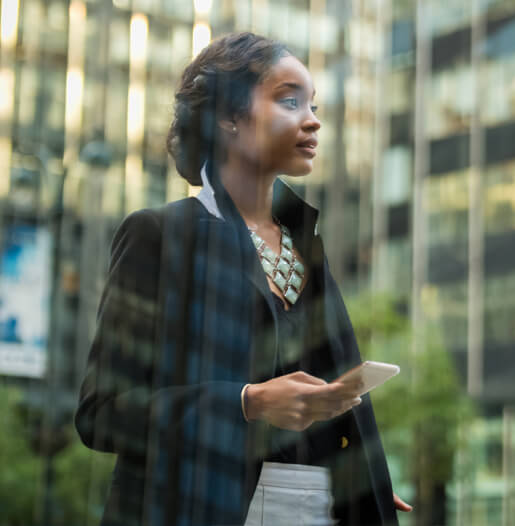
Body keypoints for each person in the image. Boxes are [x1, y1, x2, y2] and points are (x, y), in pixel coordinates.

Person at [74, 32, 411, 526]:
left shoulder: (307, 246)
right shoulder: (159, 235)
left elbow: (339, 412)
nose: (313, 119)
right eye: (290, 100)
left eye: (313, 104)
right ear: (228, 117)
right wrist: (246, 402)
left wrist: (368, 489)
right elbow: (101, 415)